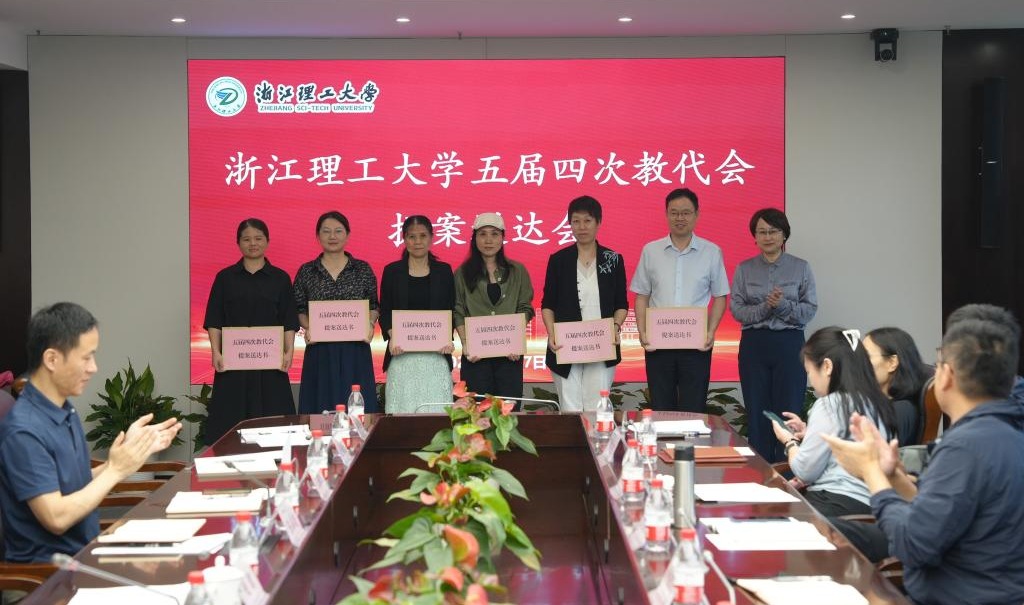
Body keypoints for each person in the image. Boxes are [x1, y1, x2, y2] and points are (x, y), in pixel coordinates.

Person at [824, 314, 1024, 605]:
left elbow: (912, 544)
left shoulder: (967, 447)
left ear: (948, 375)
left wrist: (871, 472)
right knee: (829, 531)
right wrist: (893, 476)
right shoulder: (1002, 433)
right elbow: (941, 514)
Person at [0, 303, 181, 563]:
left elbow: (75, 481)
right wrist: (115, 470)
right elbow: (56, 518)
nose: (93, 367)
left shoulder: (63, 409)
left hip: (86, 554)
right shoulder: (24, 430)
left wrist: (124, 457)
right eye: (86, 357)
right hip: (50, 575)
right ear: (51, 359)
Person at [771, 326, 896, 517]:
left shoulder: (829, 404)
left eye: (809, 372)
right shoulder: (877, 401)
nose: (811, 381)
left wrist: (790, 442)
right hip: (872, 505)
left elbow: (804, 471)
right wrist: (810, 432)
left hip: (833, 503)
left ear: (827, 367)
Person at [630, 188, 729, 412]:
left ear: (696, 214)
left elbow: (720, 296)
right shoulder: (651, 250)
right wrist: (642, 331)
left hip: (696, 345)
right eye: (674, 213)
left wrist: (710, 331)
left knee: (693, 409)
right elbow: (642, 295)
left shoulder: (711, 252)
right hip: (658, 344)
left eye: (685, 213)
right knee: (661, 408)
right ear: (666, 214)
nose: (679, 218)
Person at [730, 207, 817, 461]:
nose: (767, 237)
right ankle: (761, 470)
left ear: (784, 235)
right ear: (755, 237)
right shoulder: (744, 269)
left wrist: (782, 305)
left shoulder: (801, 267)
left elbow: (808, 310)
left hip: (789, 344)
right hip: (754, 345)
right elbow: (737, 310)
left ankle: (787, 469)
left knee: (788, 411)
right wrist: (765, 307)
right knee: (757, 412)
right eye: (762, 232)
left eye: (773, 231)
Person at [203, 218, 300, 444]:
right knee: (230, 423)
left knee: (274, 423)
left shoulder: (280, 278)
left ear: (267, 241)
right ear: (238, 243)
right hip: (233, 364)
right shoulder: (225, 278)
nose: (253, 244)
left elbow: (288, 321)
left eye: (258, 238)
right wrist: (216, 352)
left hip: (270, 363)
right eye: (246, 239)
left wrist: (289, 352)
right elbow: (215, 319)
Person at [540, 196, 628, 412]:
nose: (581, 227)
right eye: (576, 221)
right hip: (566, 346)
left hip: (601, 344)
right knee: (569, 408)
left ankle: (596, 437)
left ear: (598, 222)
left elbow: (621, 304)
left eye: (587, 221)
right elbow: (548, 304)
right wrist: (552, 333)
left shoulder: (613, 259)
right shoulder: (558, 260)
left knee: (597, 407)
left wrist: (615, 327)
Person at [294, 211, 379, 413]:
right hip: (320, 350)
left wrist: (369, 323)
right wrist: (310, 327)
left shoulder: (362, 269)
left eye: (338, 231)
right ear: (318, 236)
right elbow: (298, 308)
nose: (332, 236)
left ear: (347, 235)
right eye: (326, 231)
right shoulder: (307, 271)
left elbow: (374, 306)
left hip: (355, 350)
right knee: (320, 410)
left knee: (356, 407)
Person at [379, 215, 456, 413]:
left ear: (431, 237)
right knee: (402, 414)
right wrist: (393, 335)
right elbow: (385, 310)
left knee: (437, 415)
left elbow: (451, 308)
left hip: (436, 356)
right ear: (404, 239)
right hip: (401, 355)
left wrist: (447, 337)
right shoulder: (392, 271)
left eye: (423, 236)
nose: (417, 241)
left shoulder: (444, 271)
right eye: (412, 237)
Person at [454, 213, 534, 400]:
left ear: (502, 238)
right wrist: (466, 344)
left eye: (494, 234)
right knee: (475, 413)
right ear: (474, 238)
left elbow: (525, 308)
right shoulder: (462, 273)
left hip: (509, 356)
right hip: (475, 357)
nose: (488, 240)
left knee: (509, 413)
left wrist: (514, 339)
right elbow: (458, 311)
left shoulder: (518, 271)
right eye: (482, 234)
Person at [862, 327, 930, 445]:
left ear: (892, 363)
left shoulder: (902, 410)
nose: (859, 363)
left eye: (866, 357)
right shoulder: (878, 404)